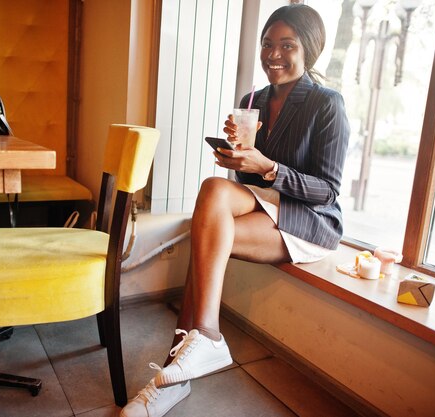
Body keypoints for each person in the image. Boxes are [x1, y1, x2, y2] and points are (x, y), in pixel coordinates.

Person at [121, 4, 349, 417]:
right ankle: (200, 345)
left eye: (286, 45)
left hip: (309, 219)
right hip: (267, 202)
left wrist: (267, 166)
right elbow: (250, 180)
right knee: (213, 191)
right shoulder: (254, 99)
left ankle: (180, 369)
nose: (273, 54)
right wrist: (240, 157)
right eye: (267, 44)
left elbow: (327, 192)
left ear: (309, 49)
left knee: (207, 237)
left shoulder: (327, 104)